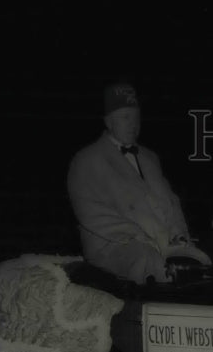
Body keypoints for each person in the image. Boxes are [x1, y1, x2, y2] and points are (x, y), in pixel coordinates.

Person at [67, 82, 199, 284]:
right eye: (125, 117)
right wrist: (140, 236)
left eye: (136, 117)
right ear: (108, 122)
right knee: (149, 261)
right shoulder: (86, 159)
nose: (133, 124)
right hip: (114, 247)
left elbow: (171, 202)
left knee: (197, 262)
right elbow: (90, 212)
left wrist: (179, 233)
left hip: (160, 243)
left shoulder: (150, 158)